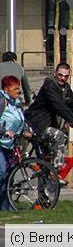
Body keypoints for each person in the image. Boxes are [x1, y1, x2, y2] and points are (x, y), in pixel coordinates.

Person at [25, 63, 73, 169]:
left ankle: (48, 175)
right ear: (55, 73)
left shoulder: (65, 88)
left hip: (49, 124)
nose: (63, 78)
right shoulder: (49, 85)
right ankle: (57, 170)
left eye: (66, 76)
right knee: (59, 136)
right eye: (60, 75)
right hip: (37, 124)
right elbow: (59, 106)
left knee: (48, 157)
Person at [0, 76, 28, 210]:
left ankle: (6, 207)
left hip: (11, 144)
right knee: (2, 171)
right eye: (15, 89)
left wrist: (27, 130)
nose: (18, 91)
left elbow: (22, 119)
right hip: (1, 142)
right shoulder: (2, 101)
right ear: (6, 90)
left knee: (8, 176)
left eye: (19, 88)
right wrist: (4, 131)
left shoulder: (17, 102)